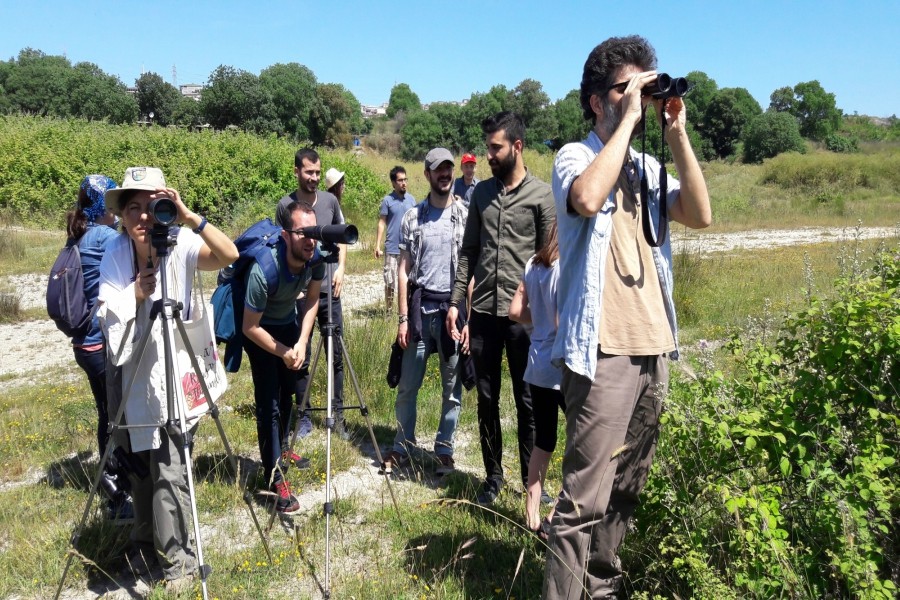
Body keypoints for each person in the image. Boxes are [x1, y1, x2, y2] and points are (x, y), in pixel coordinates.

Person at [542, 36, 711, 599]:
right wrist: (630, 117)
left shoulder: (643, 164)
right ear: (596, 101)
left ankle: (603, 590)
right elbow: (588, 199)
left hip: (652, 347)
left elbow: (700, 214)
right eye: (624, 87)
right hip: (603, 350)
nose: (636, 96)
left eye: (646, 84)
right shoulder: (576, 155)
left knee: (626, 492)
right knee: (583, 501)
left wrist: (676, 131)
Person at [98, 166, 239, 591]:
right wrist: (137, 293)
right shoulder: (115, 253)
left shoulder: (179, 244)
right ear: (121, 216)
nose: (143, 217)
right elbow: (106, 312)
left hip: (174, 376)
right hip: (131, 375)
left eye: (152, 207)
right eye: (134, 208)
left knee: (170, 467)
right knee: (139, 469)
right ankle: (143, 549)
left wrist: (187, 214)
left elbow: (229, 255)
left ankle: (176, 559)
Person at [446, 111, 555, 506]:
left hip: (526, 320)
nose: (489, 155)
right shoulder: (481, 195)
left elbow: (550, 259)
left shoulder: (542, 195)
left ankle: (533, 481)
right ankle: (493, 476)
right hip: (484, 317)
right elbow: (468, 252)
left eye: (496, 147)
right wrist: (457, 302)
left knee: (529, 400)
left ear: (517, 147)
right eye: (488, 147)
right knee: (487, 399)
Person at [382, 148, 468, 476]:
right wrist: (403, 318)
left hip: (453, 311)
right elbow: (403, 270)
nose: (445, 174)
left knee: (452, 388)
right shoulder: (412, 217)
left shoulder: (465, 214)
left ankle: (444, 448)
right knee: (407, 384)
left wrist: (468, 318)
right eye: (438, 170)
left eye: (449, 168)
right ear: (427, 175)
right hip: (420, 312)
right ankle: (402, 444)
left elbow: (469, 268)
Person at [243, 201, 325, 513]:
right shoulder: (263, 270)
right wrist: (283, 351)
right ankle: (274, 478)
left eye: (313, 233)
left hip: (289, 325)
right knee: (270, 405)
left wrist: (302, 342)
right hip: (260, 331)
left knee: (287, 393)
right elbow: (249, 326)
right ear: (285, 235)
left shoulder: (314, 257)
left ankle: (283, 449)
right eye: (302, 233)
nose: (310, 240)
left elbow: (313, 300)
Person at [66, 174, 134, 522]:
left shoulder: (82, 233)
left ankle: (118, 487)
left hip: (86, 343)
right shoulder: (106, 236)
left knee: (108, 414)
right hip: (100, 342)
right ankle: (116, 494)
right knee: (116, 419)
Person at [276, 148, 350, 440]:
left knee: (337, 354)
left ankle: (338, 414)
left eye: (318, 172)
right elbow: (281, 247)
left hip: (329, 290)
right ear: (297, 171)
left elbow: (342, 236)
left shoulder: (331, 201)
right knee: (300, 355)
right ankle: (303, 416)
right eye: (309, 172)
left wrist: (341, 269)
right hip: (299, 293)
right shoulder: (285, 205)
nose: (314, 178)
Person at [508, 221, 563, 541]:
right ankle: (558, 510)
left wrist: (539, 320)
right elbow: (560, 319)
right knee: (582, 441)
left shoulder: (533, 263)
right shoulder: (566, 265)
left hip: (538, 363)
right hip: (563, 364)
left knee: (545, 439)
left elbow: (515, 311)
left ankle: (532, 509)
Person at [375, 166, 416, 313]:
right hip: (392, 248)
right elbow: (381, 222)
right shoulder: (387, 200)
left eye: (405, 179)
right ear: (393, 183)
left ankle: (405, 311)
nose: (404, 183)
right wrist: (378, 245)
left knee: (408, 282)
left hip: (408, 249)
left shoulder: (411, 200)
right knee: (390, 282)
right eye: (400, 180)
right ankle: (389, 311)